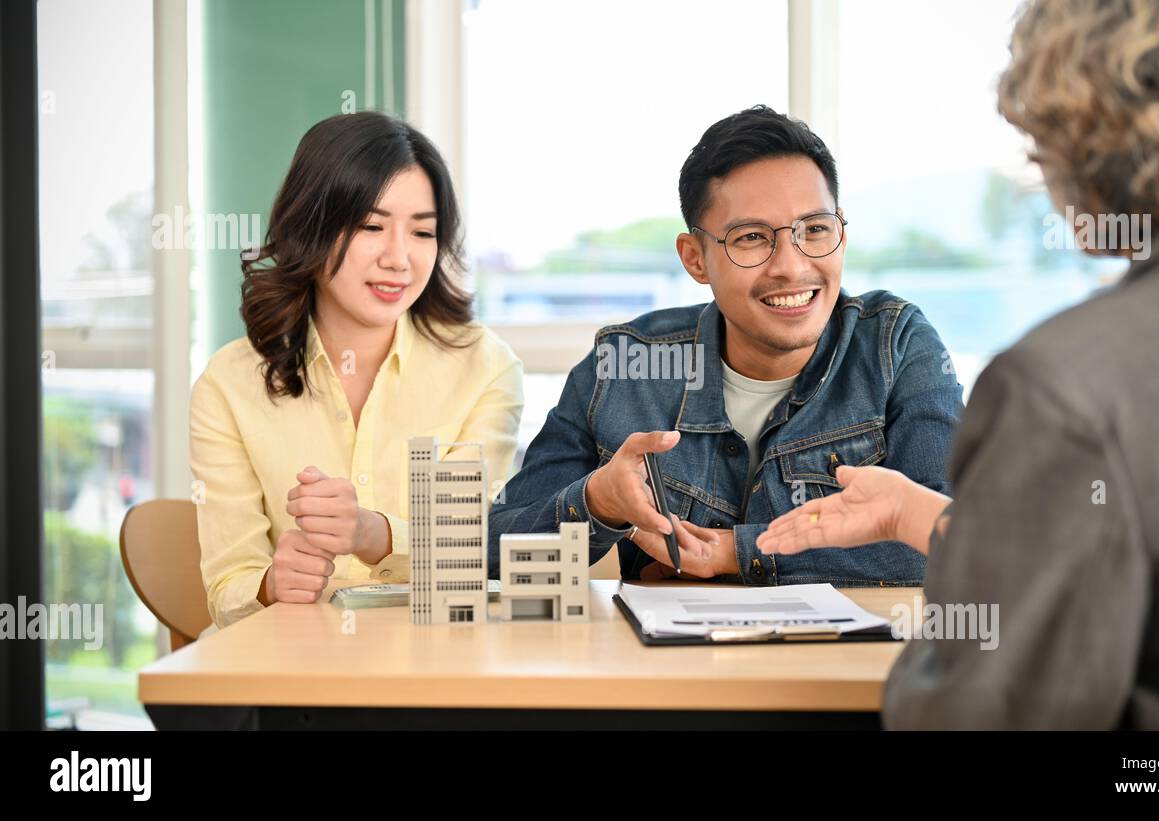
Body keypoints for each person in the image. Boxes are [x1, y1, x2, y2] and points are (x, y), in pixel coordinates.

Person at [758, 0, 1159, 729]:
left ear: (1091, 129)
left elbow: (975, 715)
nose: (1033, 160)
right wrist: (925, 518)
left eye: (1038, 128)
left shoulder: (1067, 385)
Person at [489, 105, 963, 585]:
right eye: (752, 238)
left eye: (815, 229)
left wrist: (736, 554)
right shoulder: (624, 368)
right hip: (666, 661)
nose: (791, 267)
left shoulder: (895, 346)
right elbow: (494, 551)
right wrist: (597, 502)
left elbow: (957, 540)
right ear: (695, 259)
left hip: (841, 661)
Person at [191, 112, 523, 629]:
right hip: (289, 676)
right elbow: (229, 582)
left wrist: (375, 534)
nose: (400, 259)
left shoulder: (484, 367)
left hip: (432, 668)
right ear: (310, 226)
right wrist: (271, 583)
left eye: (422, 232)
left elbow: (472, 548)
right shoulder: (229, 383)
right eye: (371, 226)